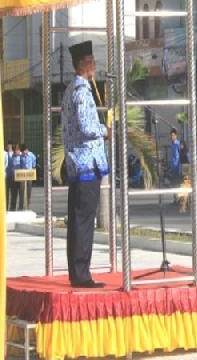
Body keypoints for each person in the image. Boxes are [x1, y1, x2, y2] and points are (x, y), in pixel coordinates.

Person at [62, 40, 110, 288]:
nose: (94, 65)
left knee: (78, 219)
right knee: (83, 221)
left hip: (79, 163)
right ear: (83, 65)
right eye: (91, 62)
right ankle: (81, 274)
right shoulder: (81, 91)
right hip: (85, 164)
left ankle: (78, 271)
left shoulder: (73, 88)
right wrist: (105, 130)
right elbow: (86, 126)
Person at [8, 144, 23, 211]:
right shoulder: (12, 157)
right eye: (15, 149)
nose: (16, 150)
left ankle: (21, 208)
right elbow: (10, 166)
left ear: (19, 150)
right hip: (13, 178)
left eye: (17, 149)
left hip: (21, 178)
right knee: (13, 194)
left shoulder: (22, 156)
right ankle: (12, 208)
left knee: (21, 194)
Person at [20, 143, 36, 208]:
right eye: (22, 152)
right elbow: (20, 164)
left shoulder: (32, 155)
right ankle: (21, 205)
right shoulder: (21, 156)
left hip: (30, 174)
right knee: (22, 190)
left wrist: (33, 169)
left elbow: (34, 164)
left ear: (27, 150)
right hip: (23, 175)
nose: (23, 153)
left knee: (29, 190)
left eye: (24, 151)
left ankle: (27, 205)